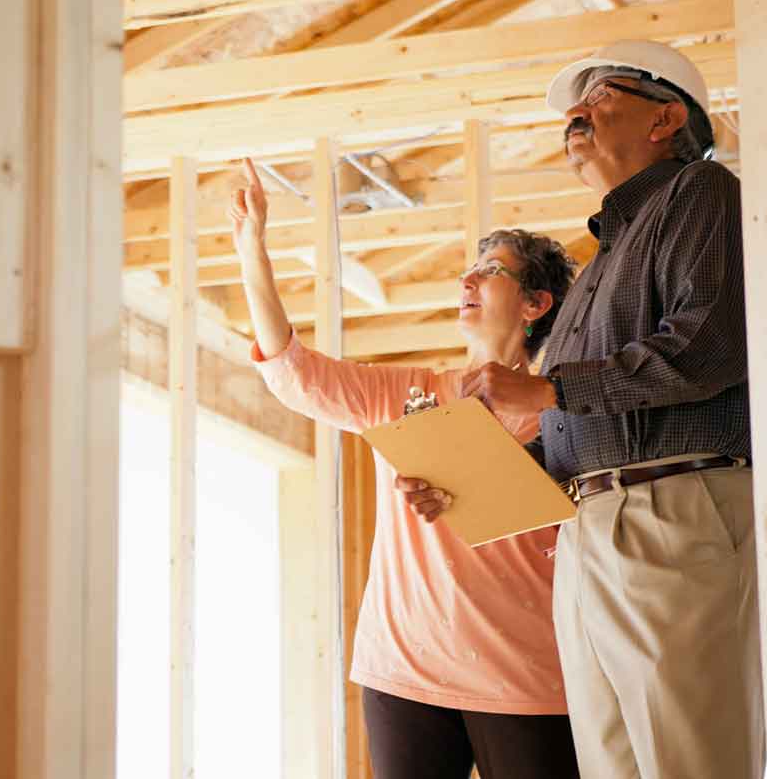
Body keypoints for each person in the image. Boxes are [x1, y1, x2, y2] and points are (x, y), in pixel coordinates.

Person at [422, 40, 761, 778]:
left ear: (666, 117)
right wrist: (474, 481)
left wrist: (550, 391)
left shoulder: (700, 195)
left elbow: (705, 346)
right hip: (591, 529)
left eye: (602, 96)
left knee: (689, 760)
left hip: (673, 505)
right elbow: (578, 421)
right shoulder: (603, 256)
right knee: (614, 765)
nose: (577, 113)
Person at [230, 157, 581, 779]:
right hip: (403, 671)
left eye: (492, 271)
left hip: (527, 674)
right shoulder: (407, 394)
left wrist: (493, 488)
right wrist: (252, 249)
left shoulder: (567, 406)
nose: (469, 279)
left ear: (535, 304)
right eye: (469, 270)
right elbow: (292, 373)